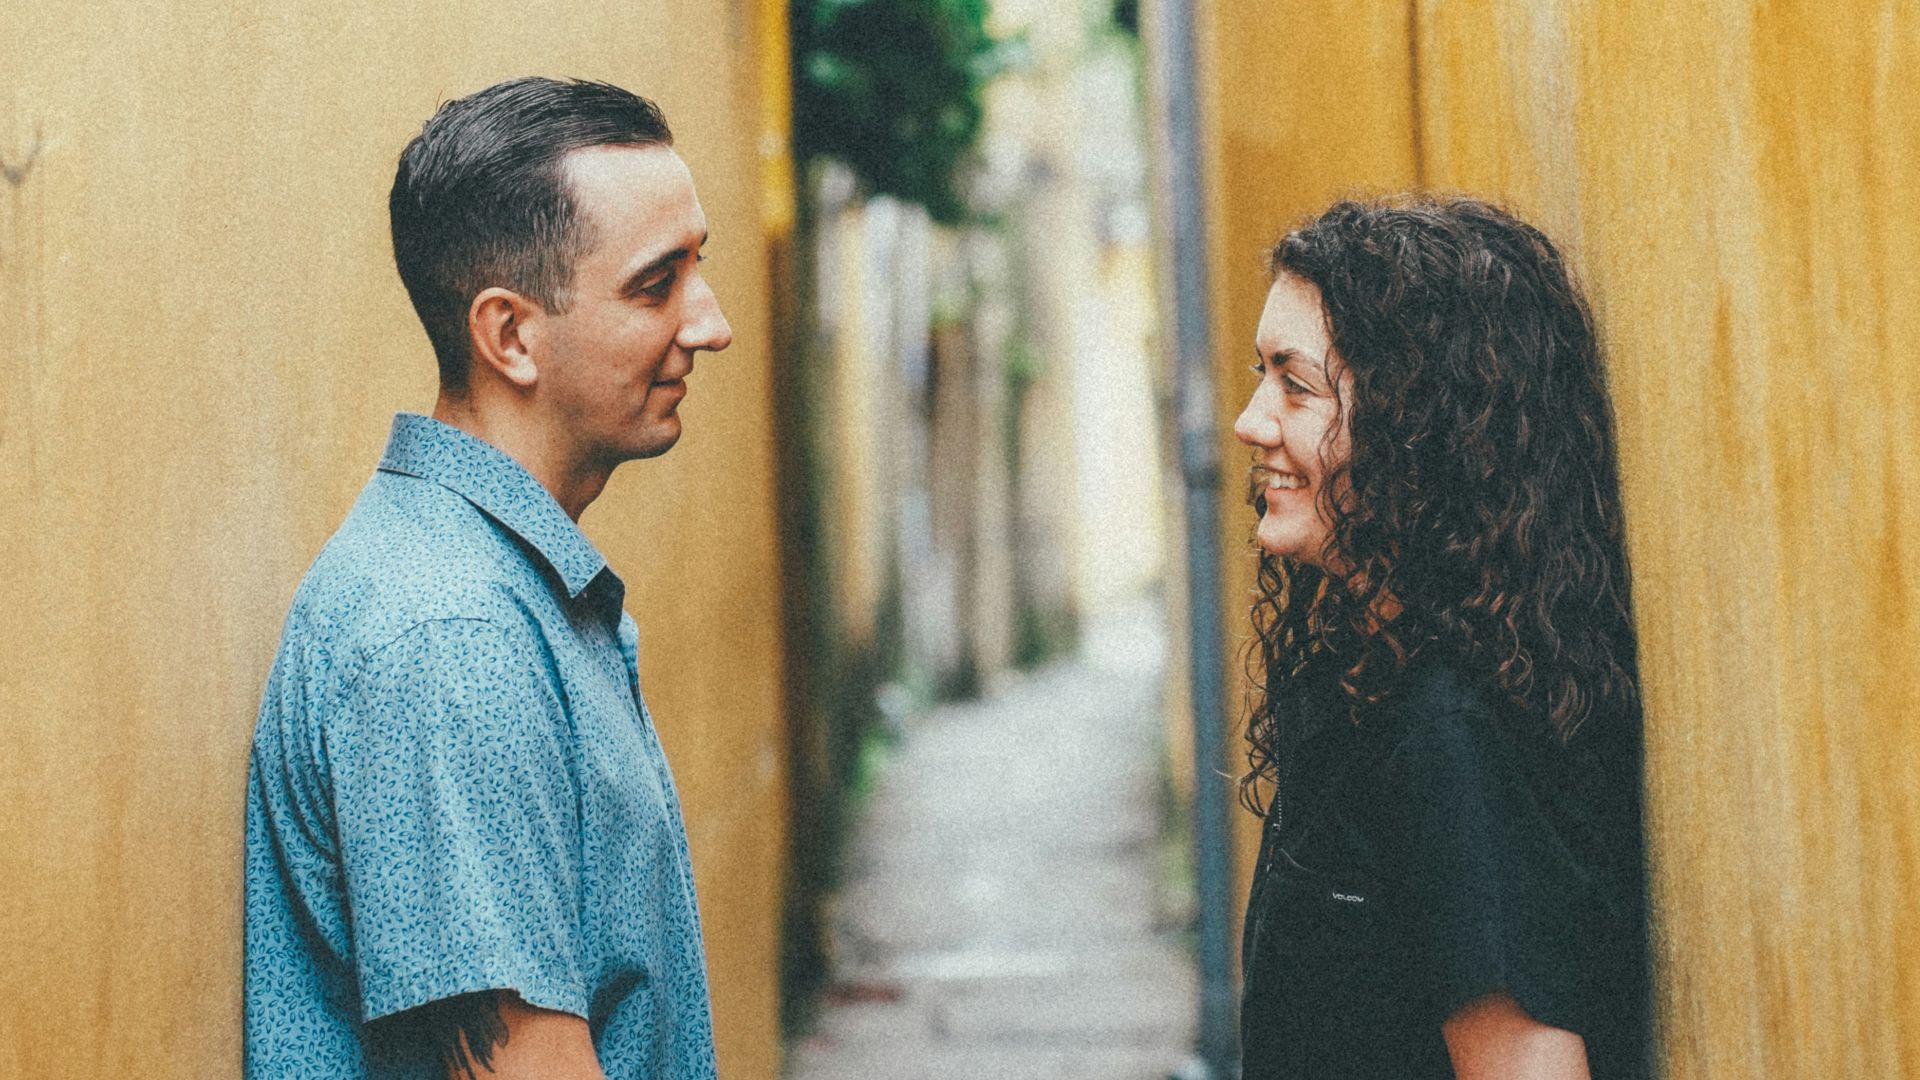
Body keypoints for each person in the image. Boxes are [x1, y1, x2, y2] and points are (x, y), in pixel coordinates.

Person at [244, 77, 733, 1079]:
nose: (710, 324)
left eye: (699, 267)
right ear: (510, 335)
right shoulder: (451, 636)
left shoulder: (496, 592)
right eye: (656, 284)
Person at [1233, 197, 1650, 1079]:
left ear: (1417, 424)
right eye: (1262, 374)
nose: (1251, 420)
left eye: (1295, 385)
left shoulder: (1449, 734)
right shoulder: (1364, 673)